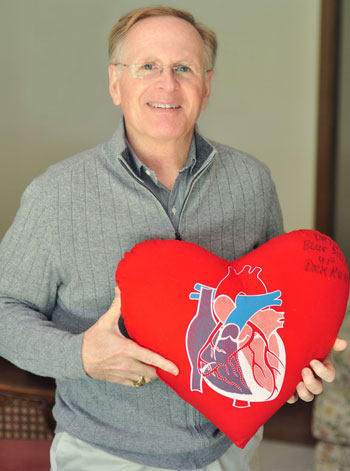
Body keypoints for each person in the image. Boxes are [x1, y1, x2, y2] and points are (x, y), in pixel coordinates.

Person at [0, 6, 346, 471]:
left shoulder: (251, 182)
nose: (167, 85)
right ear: (115, 83)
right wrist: (79, 355)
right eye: (148, 66)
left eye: (183, 68)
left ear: (206, 85)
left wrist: (295, 361)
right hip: (105, 455)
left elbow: (270, 300)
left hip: (230, 451)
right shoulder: (55, 194)